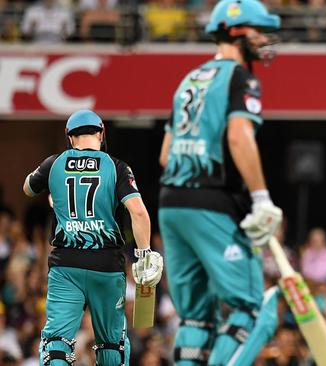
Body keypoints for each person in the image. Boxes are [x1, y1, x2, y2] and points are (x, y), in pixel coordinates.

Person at [157, 0, 283, 364]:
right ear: (238, 32)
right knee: (250, 309)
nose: (263, 41)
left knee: (195, 316)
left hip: (171, 203)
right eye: (258, 32)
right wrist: (260, 198)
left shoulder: (188, 81)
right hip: (211, 202)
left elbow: (166, 154)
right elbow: (239, 137)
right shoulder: (240, 77)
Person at [23, 110, 163, 366]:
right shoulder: (117, 167)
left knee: (57, 343)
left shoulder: (54, 163)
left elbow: (28, 187)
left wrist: (55, 192)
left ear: (69, 136)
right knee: (112, 345)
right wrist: (144, 255)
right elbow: (139, 212)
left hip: (65, 265)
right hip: (106, 267)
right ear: (101, 134)